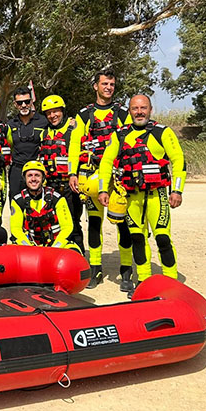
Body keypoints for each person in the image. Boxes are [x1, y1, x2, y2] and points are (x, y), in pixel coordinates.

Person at [98, 95, 186, 295]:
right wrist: (104, 189)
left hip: (157, 195)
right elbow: (106, 162)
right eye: (135, 108)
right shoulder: (119, 135)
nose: (139, 112)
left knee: (163, 238)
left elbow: (178, 160)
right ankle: (144, 281)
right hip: (131, 197)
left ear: (150, 109)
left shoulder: (162, 132)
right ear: (129, 111)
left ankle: (171, 281)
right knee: (137, 238)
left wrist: (177, 190)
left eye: (143, 108)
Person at [68, 69, 133, 288]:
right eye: (104, 83)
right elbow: (74, 145)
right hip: (91, 178)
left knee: (122, 222)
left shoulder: (123, 114)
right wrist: (72, 173)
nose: (108, 88)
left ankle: (126, 270)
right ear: (95, 86)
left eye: (112, 84)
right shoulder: (84, 115)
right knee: (94, 222)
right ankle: (95, 268)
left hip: (117, 179)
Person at [38, 95, 84, 253]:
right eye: (49, 113)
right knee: (53, 224)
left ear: (62, 111)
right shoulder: (44, 133)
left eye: (56, 111)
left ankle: (79, 256)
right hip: (51, 186)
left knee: (73, 224)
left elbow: (75, 153)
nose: (52, 116)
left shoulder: (73, 128)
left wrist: (73, 174)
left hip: (70, 187)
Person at [9, 161, 75, 248]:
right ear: (24, 178)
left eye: (37, 175)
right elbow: (16, 229)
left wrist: (55, 248)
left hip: (55, 245)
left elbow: (67, 227)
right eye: (29, 175)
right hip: (30, 246)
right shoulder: (18, 201)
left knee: (74, 251)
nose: (33, 179)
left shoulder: (57, 199)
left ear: (43, 178)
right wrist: (29, 248)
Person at [7, 86, 48, 200]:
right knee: (15, 203)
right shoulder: (10, 124)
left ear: (31, 101)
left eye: (27, 101)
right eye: (20, 103)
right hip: (16, 170)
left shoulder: (43, 121)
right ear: (15, 104)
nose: (24, 105)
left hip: (37, 169)